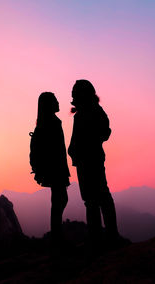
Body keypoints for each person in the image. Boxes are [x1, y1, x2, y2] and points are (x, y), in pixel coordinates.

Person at [68, 79, 120, 247]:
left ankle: (108, 236)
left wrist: (87, 143)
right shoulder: (83, 113)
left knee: (100, 197)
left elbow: (105, 132)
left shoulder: (93, 112)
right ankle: (98, 238)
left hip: (92, 160)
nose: (73, 96)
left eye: (75, 93)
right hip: (84, 161)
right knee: (92, 200)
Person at [29, 92, 70, 249]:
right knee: (59, 202)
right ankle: (57, 240)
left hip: (55, 169)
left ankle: (57, 239)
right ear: (49, 104)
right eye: (55, 100)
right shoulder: (51, 123)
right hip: (55, 169)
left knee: (58, 201)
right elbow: (55, 151)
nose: (58, 102)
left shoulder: (46, 122)